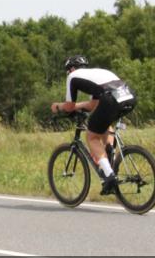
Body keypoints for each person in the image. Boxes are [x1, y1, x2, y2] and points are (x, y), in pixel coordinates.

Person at [51, 55, 137, 195]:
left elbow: (68, 106)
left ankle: (109, 176)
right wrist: (78, 107)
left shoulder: (73, 76)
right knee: (103, 123)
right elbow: (93, 105)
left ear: (71, 68)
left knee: (91, 136)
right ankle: (109, 153)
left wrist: (57, 107)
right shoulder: (96, 73)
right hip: (129, 96)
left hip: (111, 98)